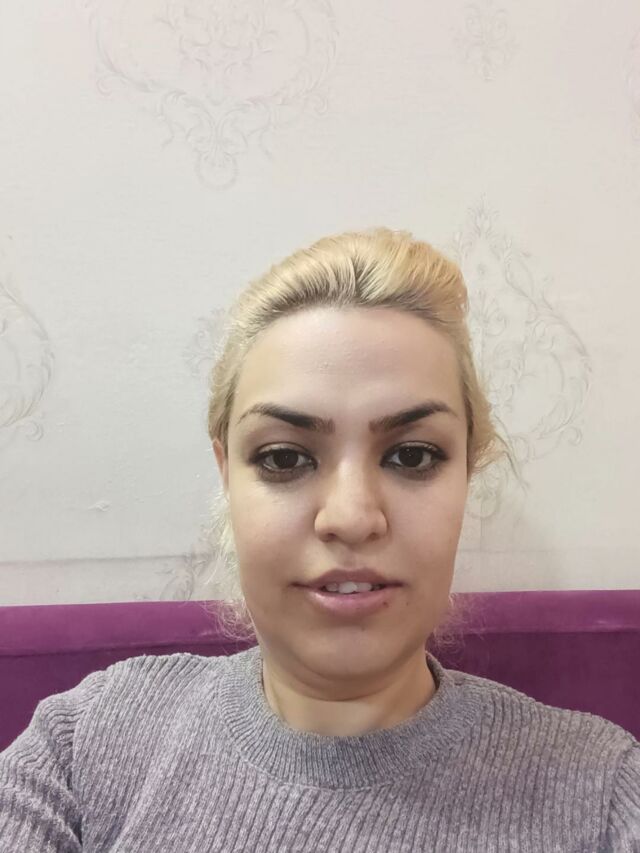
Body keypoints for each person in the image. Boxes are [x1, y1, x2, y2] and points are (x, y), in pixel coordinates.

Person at [0, 228, 638, 851]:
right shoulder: (86, 744)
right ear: (227, 474)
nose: (352, 518)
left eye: (413, 455)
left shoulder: (602, 796)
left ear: (467, 473)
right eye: (284, 458)